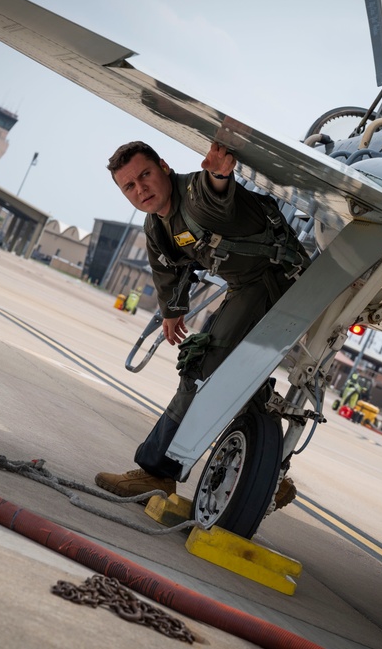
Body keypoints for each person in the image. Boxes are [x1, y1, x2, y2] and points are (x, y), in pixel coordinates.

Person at [95, 141, 308, 509]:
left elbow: (214, 197)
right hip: (249, 287)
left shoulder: (193, 194)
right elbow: (167, 268)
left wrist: (219, 175)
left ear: (163, 166)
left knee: (201, 373)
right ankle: (269, 474)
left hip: (272, 283)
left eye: (145, 175)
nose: (140, 189)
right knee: (232, 377)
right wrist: (172, 309)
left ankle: (157, 472)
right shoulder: (157, 223)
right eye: (129, 186)